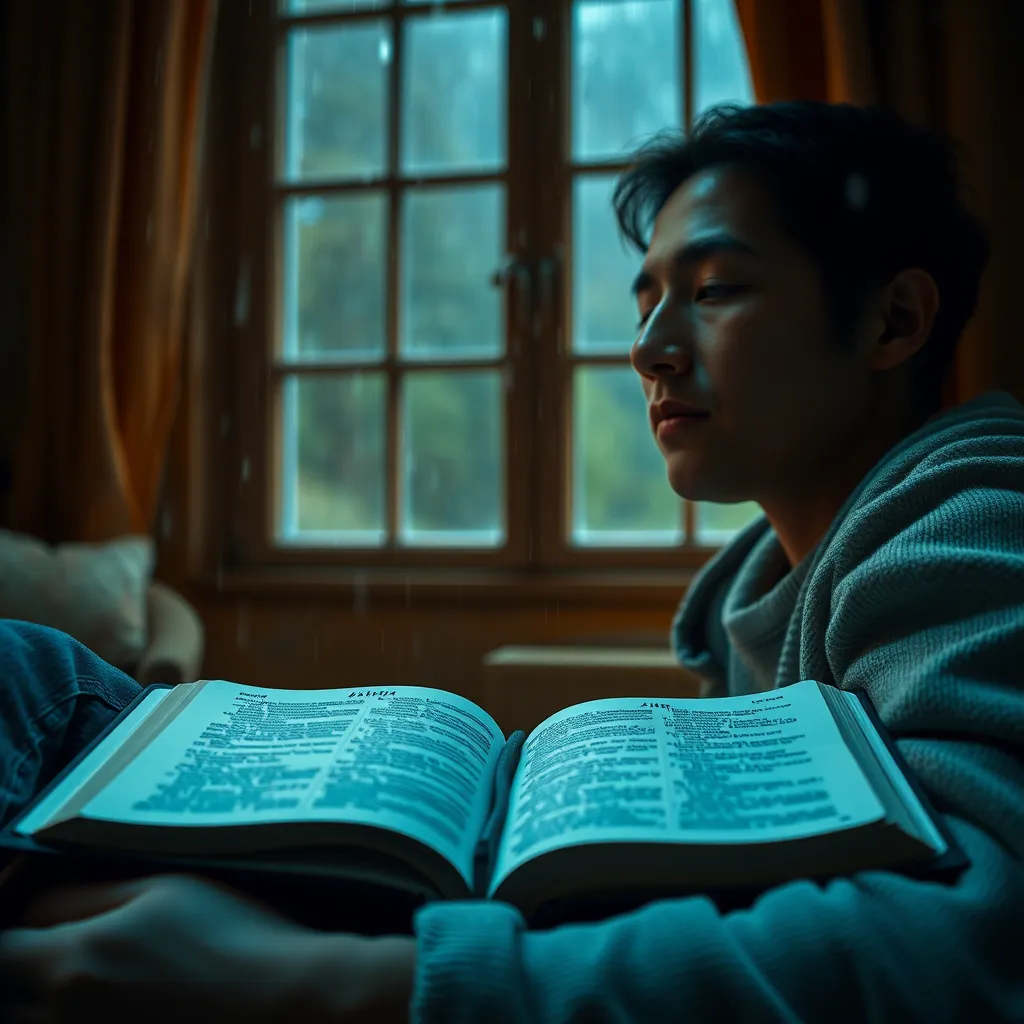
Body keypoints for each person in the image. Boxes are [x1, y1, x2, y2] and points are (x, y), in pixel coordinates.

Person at [2, 99, 1024, 1023]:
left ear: (893, 320)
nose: (650, 348)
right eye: (645, 301)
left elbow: (978, 943)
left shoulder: (977, 518)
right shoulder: (769, 585)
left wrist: (323, 981)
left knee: (32, 686)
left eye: (715, 289)